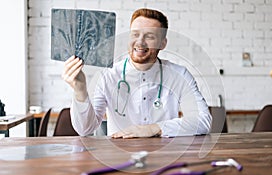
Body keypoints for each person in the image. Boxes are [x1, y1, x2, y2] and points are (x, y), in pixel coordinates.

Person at [62, 8, 212, 138]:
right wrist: (80, 90)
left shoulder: (179, 75)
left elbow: (203, 120)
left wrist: (153, 129)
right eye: (135, 34)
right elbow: (85, 129)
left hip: (164, 156)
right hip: (119, 156)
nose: (140, 42)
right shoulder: (108, 76)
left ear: (162, 43)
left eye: (150, 36)